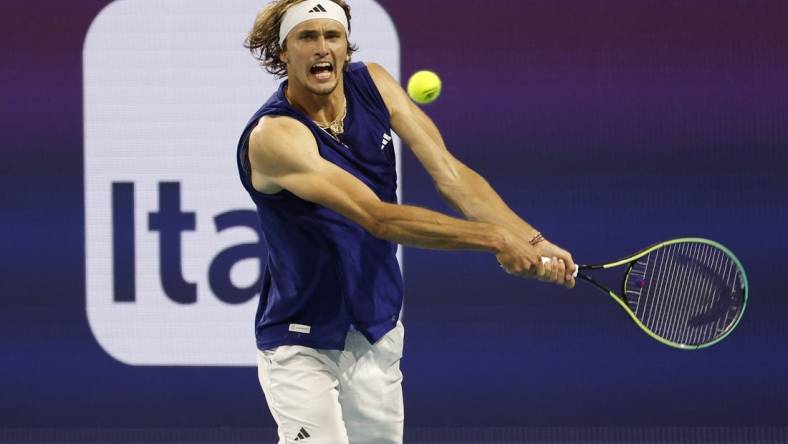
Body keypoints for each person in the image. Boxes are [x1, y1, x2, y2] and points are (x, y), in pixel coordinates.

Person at [236, 0, 576, 442]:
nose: (322, 49)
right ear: (284, 52)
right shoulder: (274, 137)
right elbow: (378, 219)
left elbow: (451, 176)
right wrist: (495, 239)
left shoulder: (373, 83)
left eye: (331, 36)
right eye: (307, 37)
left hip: (375, 324)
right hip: (300, 337)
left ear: (345, 47)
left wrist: (529, 238)